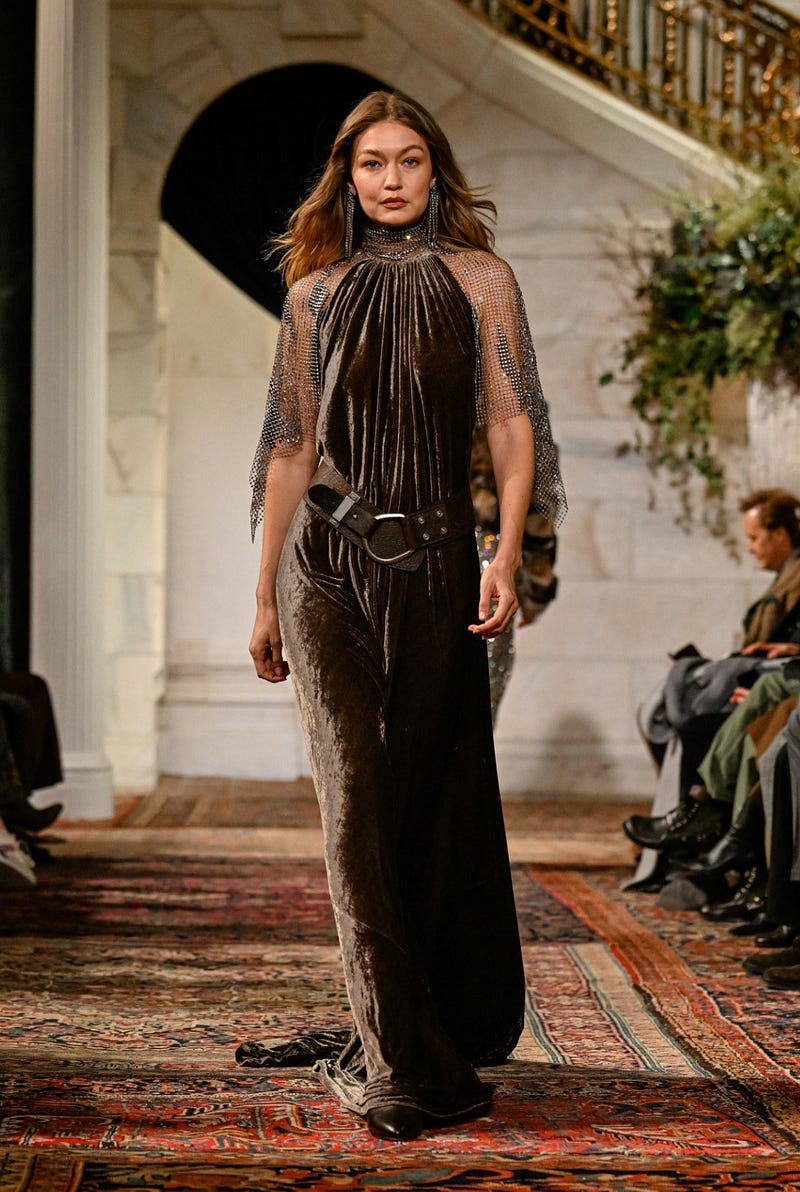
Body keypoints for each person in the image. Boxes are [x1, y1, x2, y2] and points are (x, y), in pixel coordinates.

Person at [236, 91, 566, 1141]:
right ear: (347, 175)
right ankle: (396, 1061)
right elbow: (290, 448)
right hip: (323, 563)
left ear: (434, 170)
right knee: (353, 803)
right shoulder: (314, 293)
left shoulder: (480, 281)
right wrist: (262, 591)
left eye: (408, 160)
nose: (390, 179)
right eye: (371, 162)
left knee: (425, 797)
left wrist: (502, 551)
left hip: (432, 564)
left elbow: (511, 422)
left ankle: (430, 1011)